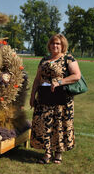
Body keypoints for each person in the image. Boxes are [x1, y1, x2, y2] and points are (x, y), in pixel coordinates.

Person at [29, 34, 81, 164]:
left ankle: (58, 153)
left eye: (58, 43)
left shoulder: (68, 58)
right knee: (44, 124)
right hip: (44, 98)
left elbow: (76, 76)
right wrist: (32, 96)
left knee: (59, 125)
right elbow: (37, 79)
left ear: (63, 45)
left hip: (61, 99)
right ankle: (47, 153)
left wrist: (60, 81)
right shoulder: (44, 60)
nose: (55, 46)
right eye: (53, 43)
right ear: (49, 45)